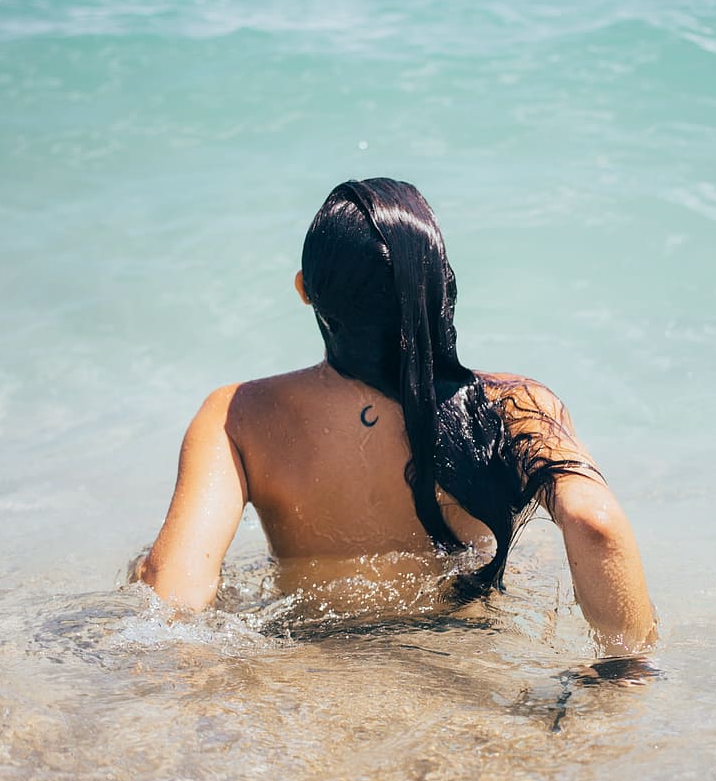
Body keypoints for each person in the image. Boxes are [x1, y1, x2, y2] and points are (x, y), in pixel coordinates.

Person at [137, 178, 655, 652]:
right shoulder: (515, 405)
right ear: (440, 289)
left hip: (314, 661)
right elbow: (595, 523)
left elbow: (174, 594)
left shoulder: (238, 415)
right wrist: (625, 674)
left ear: (304, 290)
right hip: (464, 661)